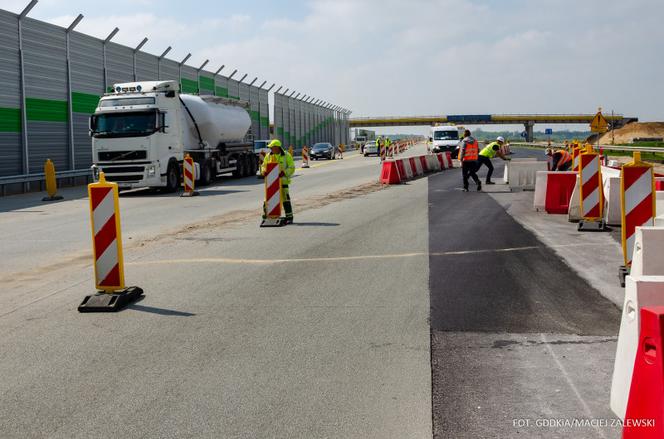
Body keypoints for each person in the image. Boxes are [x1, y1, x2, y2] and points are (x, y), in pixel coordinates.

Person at [261, 139, 295, 224]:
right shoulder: (268, 156)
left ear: (277, 147)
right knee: (267, 199)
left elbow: (292, 167)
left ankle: (289, 217)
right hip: (271, 182)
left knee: (285, 199)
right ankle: (266, 216)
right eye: (270, 148)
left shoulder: (286, 155)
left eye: (272, 147)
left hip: (283, 182)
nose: (271, 149)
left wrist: (284, 173)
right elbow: (263, 166)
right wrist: (264, 171)